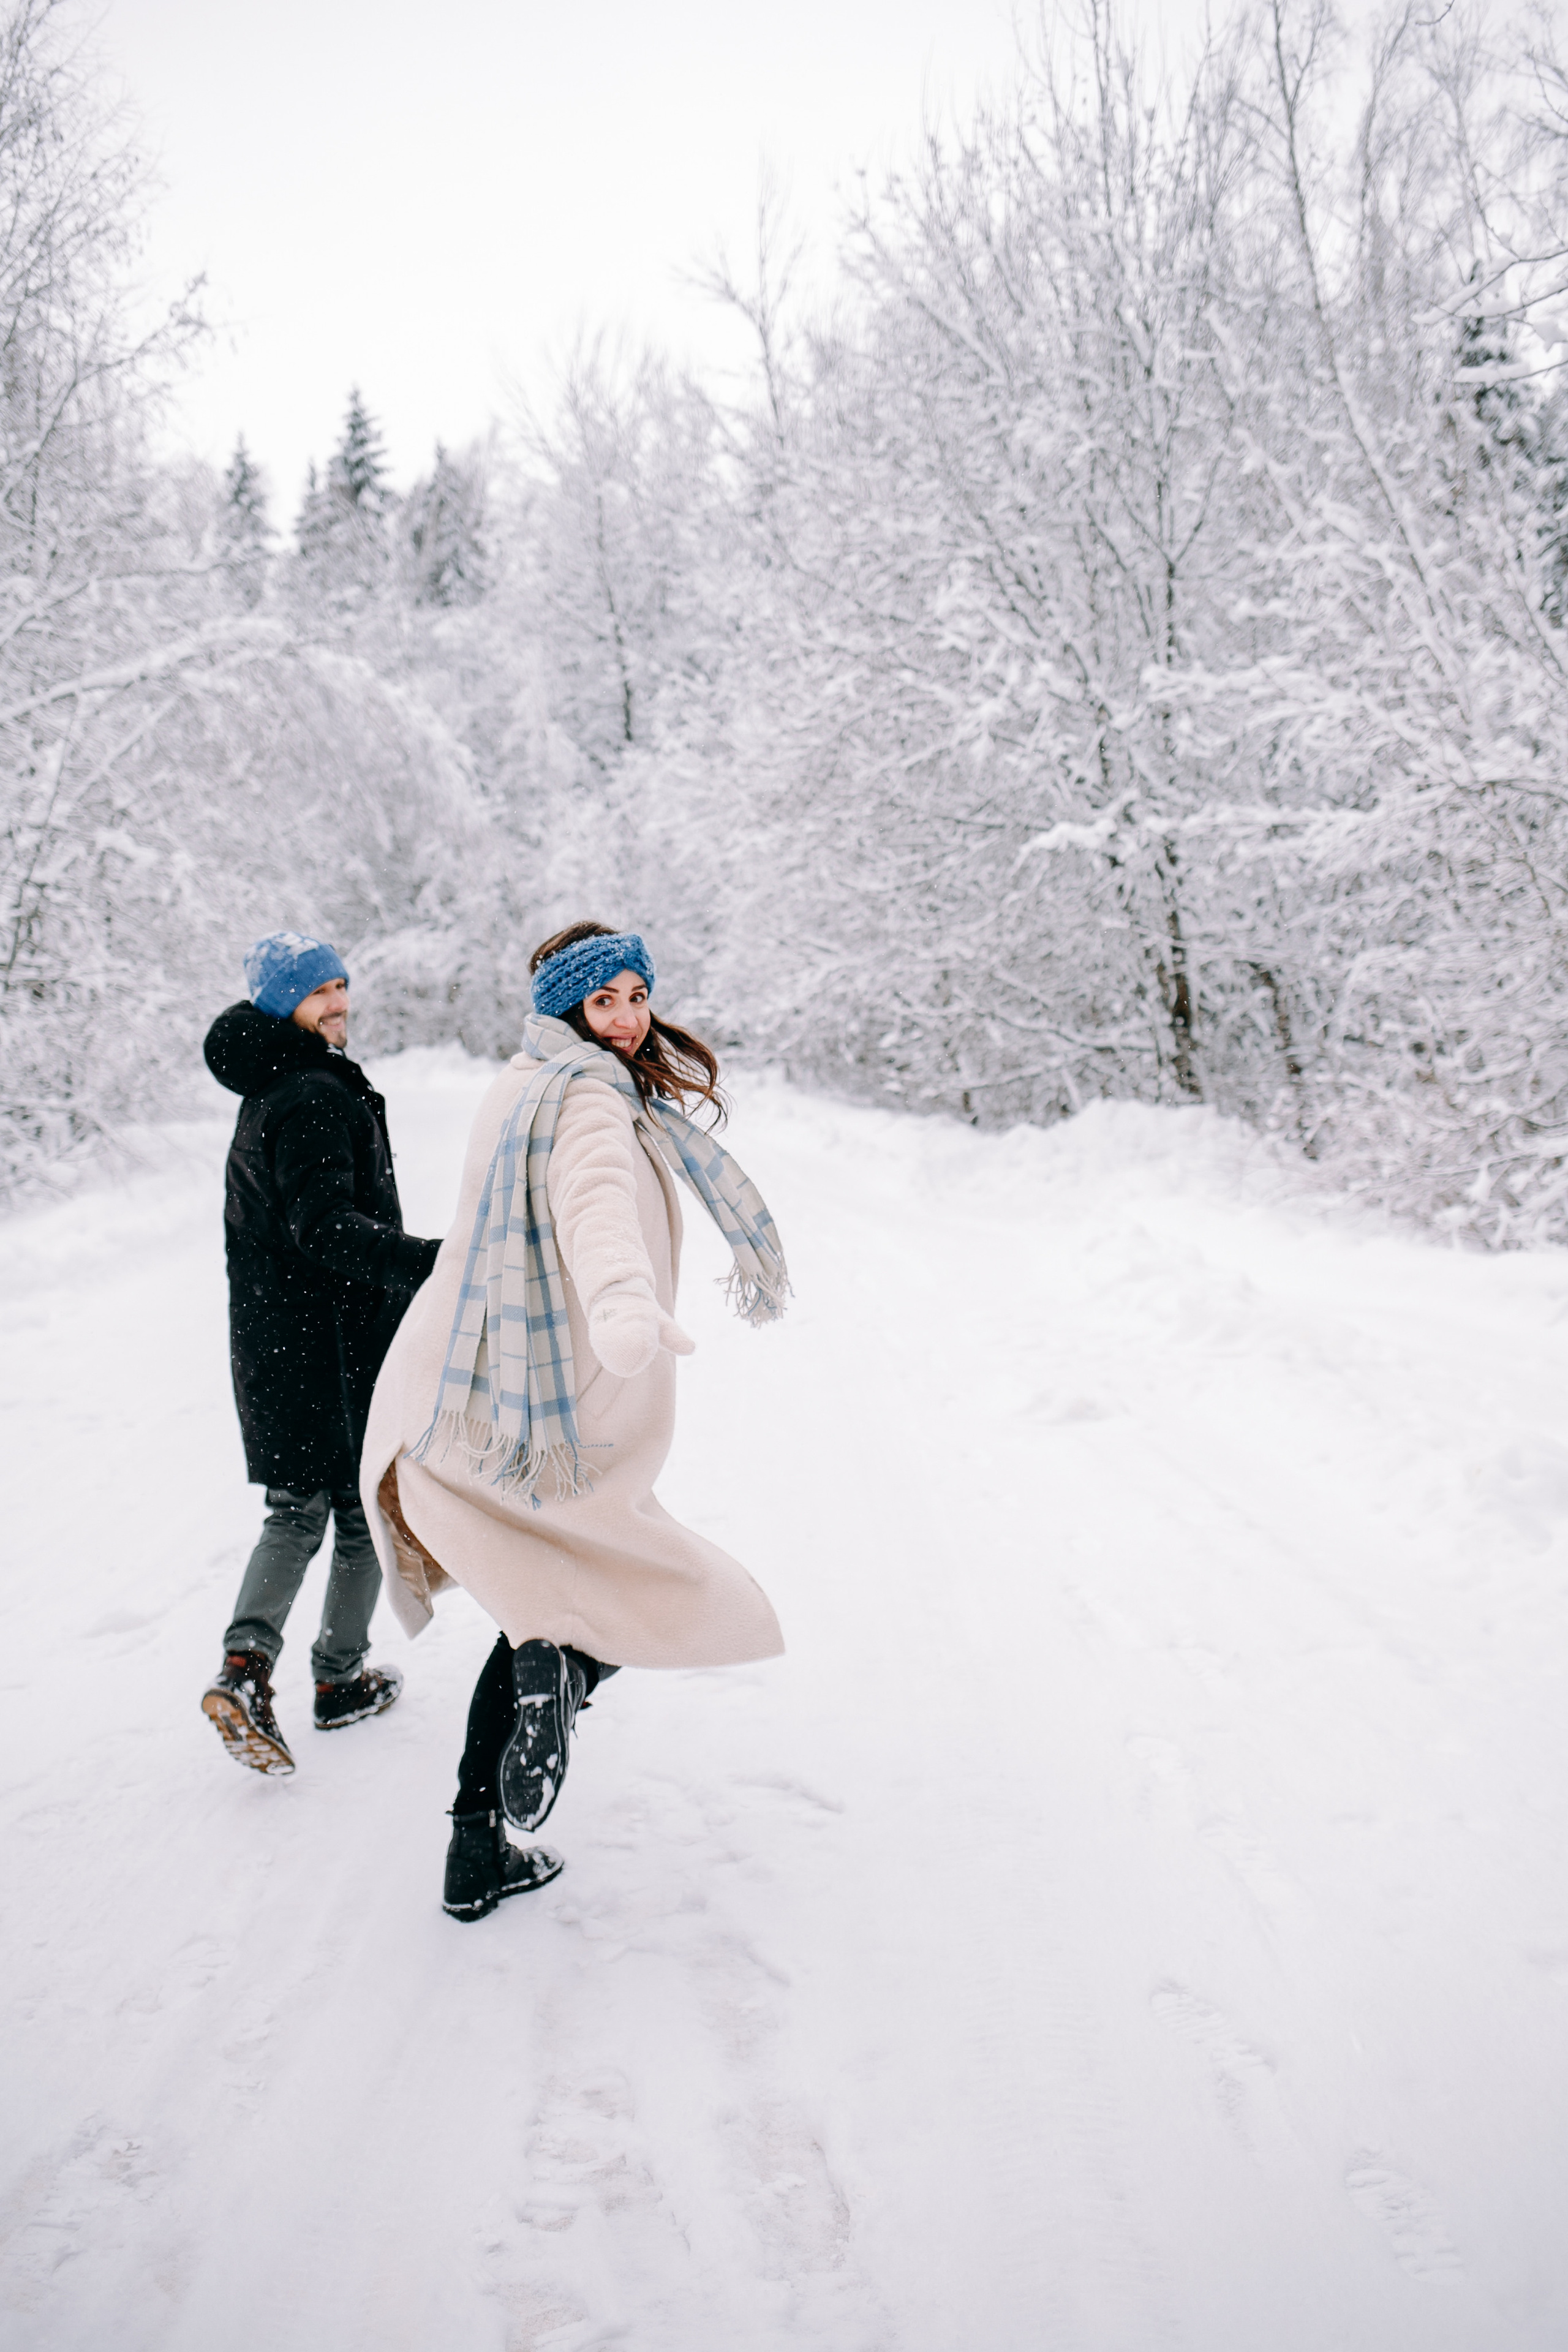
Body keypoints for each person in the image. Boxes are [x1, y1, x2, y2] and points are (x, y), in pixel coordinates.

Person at [361, 921, 788, 1921]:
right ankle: (561, 1671)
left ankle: (477, 1852)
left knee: (537, 1604)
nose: (631, 1020)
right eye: (607, 1002)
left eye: (639, 996)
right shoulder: (587, 1100)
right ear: (568, 1009)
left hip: (457, 1398)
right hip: (535, 1406)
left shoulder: (518, 1084)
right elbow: (595, 1207)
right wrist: (626, 1305)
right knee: (621, 1592)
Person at [200, 930, 442, 1774]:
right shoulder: (308, 1092)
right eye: (317, 993)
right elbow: (324, 1227)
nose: (338, 1002)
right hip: (329, 1343)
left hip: (285, 1340)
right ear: (281, 1007)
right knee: (355, 1513)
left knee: (304, 1507)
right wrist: (431, 1262)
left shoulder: (276, 1082)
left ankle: (249, 1670)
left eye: (341, 984)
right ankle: (332, 1680)